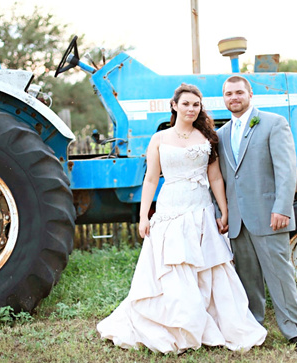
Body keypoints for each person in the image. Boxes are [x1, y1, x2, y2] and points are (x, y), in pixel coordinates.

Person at [96, 83, 267, 354]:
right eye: (186, 103)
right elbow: (151, 179)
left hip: (200, 210)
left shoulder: (208, 138)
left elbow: (215, 178)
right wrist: (144, 216)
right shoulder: (160, 139)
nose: (191, 108)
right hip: (170, 209)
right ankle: (179, 325)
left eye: (196, 104)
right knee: (174, 266)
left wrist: (223, 211)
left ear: (200, 108)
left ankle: (216, 324)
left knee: (209, 265)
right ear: (174, 106)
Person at [215, 75, 297, 352]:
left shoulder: (273, 123)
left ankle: (295, 333)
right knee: (248, 280)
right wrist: (224, 213)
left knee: (280, 276)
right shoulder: (221, 134)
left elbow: (286, 169)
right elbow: (220, 177)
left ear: (250, 94)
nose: (234, 98)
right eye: (228, 94)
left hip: (270, 215)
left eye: (238, 92)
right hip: (237, 222)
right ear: (224, 98)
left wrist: (282, 207)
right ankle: (254, 329)